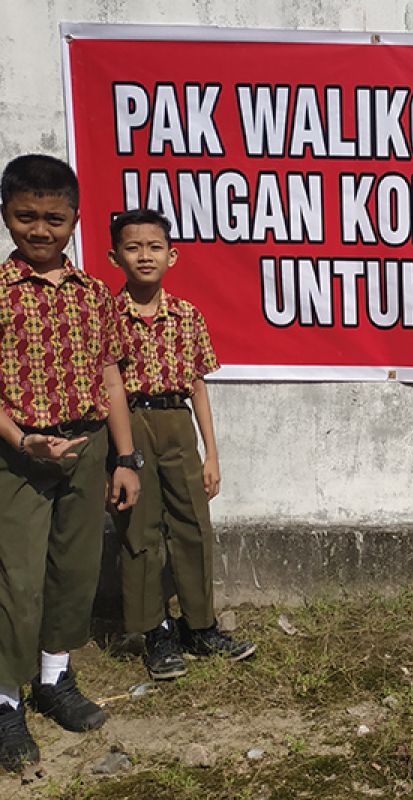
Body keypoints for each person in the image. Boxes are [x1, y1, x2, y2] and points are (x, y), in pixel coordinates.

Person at [0, 154, 141, 770]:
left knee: (75, 569)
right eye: (25, 216)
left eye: (53, 218)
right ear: (6, 215)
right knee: (17, 580)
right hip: (19, 454)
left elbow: (110, 377)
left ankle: (54, 678)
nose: (40, 230)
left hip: (86, 451)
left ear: (75, 219)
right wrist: (21, 440)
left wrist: (126, 456)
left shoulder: (93, 297)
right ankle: (5, 700)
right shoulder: (1, 292)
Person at [107, 208, 255, 681]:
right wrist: (120, 456)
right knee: (140, 532)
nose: (144, 256)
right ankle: (155, 633)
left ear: (172, 256)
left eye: (154, 247)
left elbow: (197, 387)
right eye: (133, 247)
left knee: (193, 523)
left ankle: (201, 625)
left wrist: (212, 453)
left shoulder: (187, 315)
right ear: (115, 257)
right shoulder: (106, 317)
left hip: (176, 422)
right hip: (131, 425)